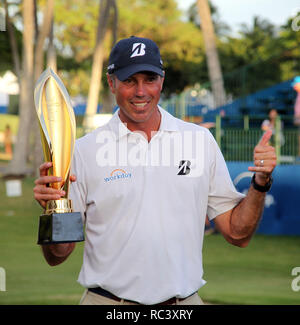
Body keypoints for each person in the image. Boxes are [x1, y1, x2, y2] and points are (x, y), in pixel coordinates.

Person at [33, 36, 277, 305]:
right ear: (111, 82)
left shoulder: (199, 141)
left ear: (162, 80)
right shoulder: (83, 150)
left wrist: (260, 182)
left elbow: (237, 234)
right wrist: (52, 210)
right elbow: (58, 255)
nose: (141, 91)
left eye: (149, 79)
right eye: (129, 80)